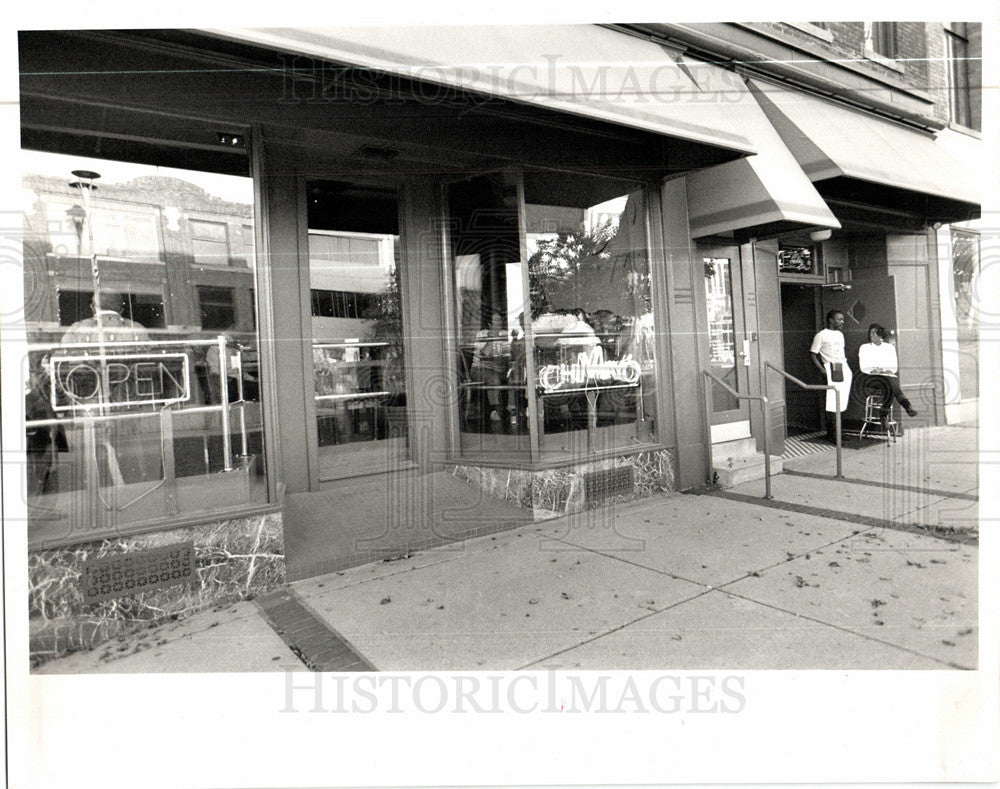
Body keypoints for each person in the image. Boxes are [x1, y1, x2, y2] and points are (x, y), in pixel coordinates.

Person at [858, 323, 918, 427]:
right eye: (871, 333)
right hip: (871, 378)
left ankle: (884, 415)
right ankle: (907, 406)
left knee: (889, 383)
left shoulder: (889, 347)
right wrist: (875, 370)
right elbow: (863, 366)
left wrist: (885, 370)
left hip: (887, 378)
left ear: (881, 334)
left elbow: (893, 367)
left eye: (875, 333)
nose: (872, 335)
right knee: (890, 382)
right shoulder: (864, 347)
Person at [810, 309, 852, 441]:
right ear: (831, 320)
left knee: (842, 401)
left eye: (842, 319)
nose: (842, 322)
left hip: (843, 367)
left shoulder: (840, 334)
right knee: (833, 401)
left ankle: (839, 432)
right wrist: (823, 370)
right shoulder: (821, 335)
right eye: (839, 319)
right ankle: (833, 434)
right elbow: (813, 354)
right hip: (832, 368)